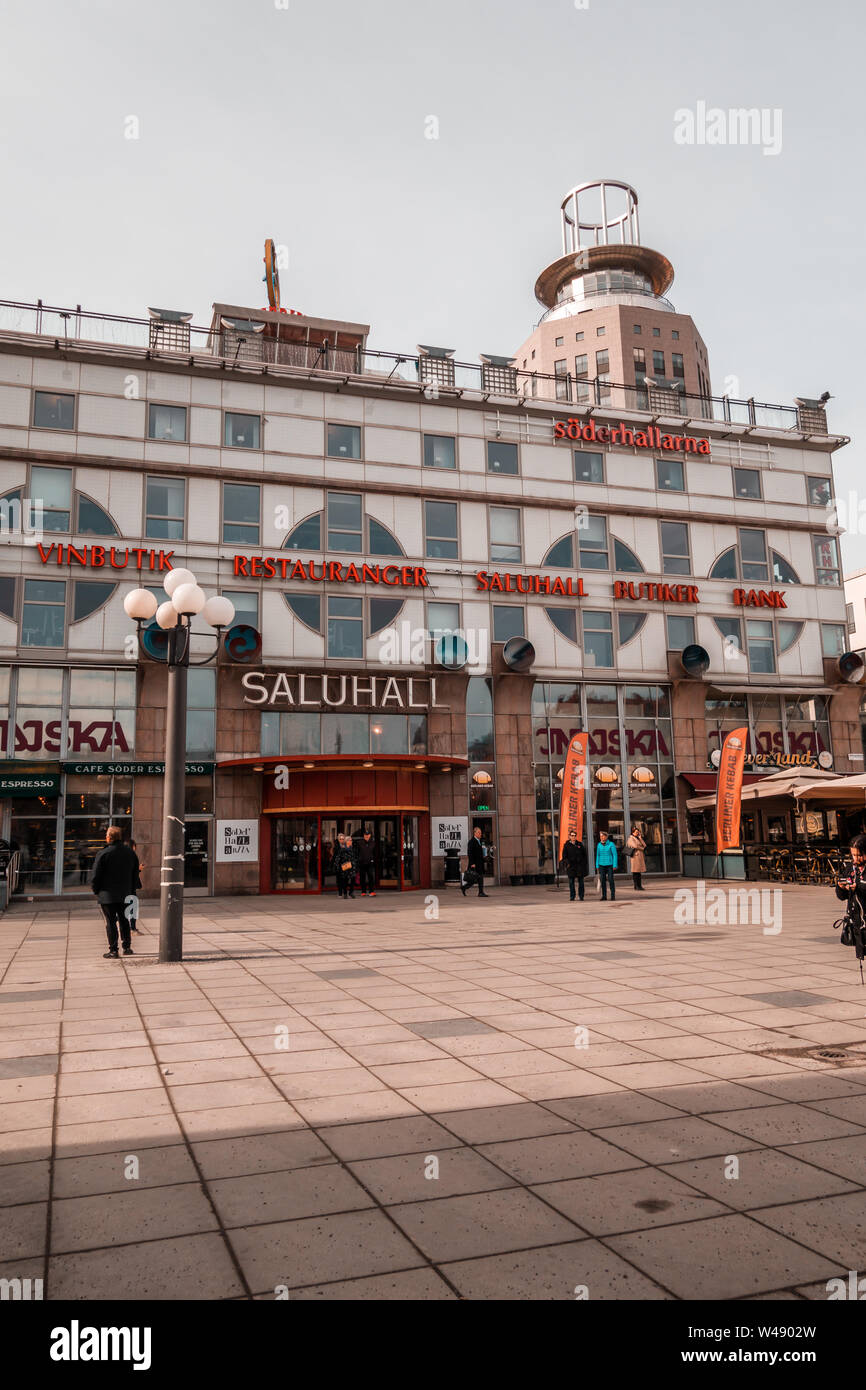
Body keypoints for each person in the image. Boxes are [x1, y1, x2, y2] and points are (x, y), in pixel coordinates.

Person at [90, 827, 141, 958]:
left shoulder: (104, 853)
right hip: (125, 892)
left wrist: (96, 890)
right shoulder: (130, 853)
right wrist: (132, 888)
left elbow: (96, 875)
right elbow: (135, 872)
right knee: (124, 920)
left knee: (111, 922)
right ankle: (127, 947)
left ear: (109, 837)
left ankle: (113, 950)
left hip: (108, 895)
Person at [560, 829, 588, 902]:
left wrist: (583, 864)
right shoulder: (566, 845)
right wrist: (567, 863)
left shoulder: (579, 844)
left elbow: (584, 855)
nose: (573, 837)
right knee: (571, 883)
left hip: (579, 866)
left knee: (581, 882)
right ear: (569, 836)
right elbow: (564, 856)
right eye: (572, 835)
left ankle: (581, 896)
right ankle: (572, 896)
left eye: (575, 836)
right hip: (571, 866)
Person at [462, 826, 489, 897]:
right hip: (474, 864)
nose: (480, 834)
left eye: (480, 833)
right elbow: (470, 853)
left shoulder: (479, 841)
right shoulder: (471, 842)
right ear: (475, 833)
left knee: (478, 878)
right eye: (479, 833)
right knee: (473, 879)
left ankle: (480, 892)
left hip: (480, 863)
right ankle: (466, 888)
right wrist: (472, 863)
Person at [595, 829, 617, 901]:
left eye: (603, 836)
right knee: (603, 880)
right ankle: (604, 896)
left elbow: (614, 855)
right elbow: (598, 855)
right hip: (601, 865)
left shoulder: (611, 844)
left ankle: (612, 895)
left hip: (609, 865)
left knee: (611, 880)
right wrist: (597, 865)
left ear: (606, 837)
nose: (602, 837)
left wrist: (614, 865)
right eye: (601, 836)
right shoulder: (599, 844)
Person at [626, 824, 647, 891]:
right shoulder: (630, 838)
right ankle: (636, 886)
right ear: (633, 832)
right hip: (635, 857)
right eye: (636, 832)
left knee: (639, 872)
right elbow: (635, 846)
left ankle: (639, 885)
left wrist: (640, 838)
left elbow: (645, 845)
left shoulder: (638, 838)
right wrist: (642, 848)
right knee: (635, 872)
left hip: (640, 857)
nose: (637, 833)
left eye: (638, 832)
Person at [336, 832, 356, 899]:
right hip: (345, 867)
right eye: (350, 840)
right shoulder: (342, 850)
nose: (351, 841)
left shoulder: (353, 849)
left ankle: (351, 892)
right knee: (345, 881)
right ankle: (345, 893)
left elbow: (355, 857)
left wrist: (355, 864)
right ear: (346, 841)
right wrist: (339, 866)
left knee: (353, 880)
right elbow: (338, 858)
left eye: (351, 840)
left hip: (352, 867)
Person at [357, 829, 376, 896]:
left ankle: (371, 891)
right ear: (364, 835)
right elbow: (357, 852)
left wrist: (373, 860)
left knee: (371, 877)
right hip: (362, 863)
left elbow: (375, 853)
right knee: (362, 877)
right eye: (365, 835)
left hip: (370, 863)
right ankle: (363, 891)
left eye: (368, 835)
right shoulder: (360, 843)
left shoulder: (373, 843)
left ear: (370, 835)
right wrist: (359, 859)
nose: (366, 836)